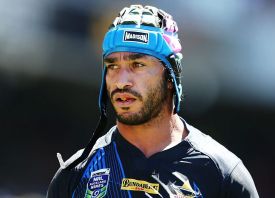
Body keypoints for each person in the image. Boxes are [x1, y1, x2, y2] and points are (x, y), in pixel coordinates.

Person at [47, 5, 259, 198]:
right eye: (112, 66)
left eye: (137, 65)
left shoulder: (224, 175)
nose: (121, 81)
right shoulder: (75, 174)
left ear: (170, 77)